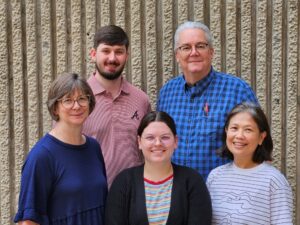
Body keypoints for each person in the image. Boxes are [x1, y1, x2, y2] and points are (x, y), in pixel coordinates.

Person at [157, 21, 258, 180]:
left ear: (211, 52)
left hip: (222, 196)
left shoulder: (237, 91)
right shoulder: (167, 93)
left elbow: (256, 146)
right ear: (177, 55)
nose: (194, 52)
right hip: (176, 194)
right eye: (186, 47)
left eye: (201, 46)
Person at [14, 73, 108, 225]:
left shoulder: (93, 148)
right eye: (68, 100)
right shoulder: (42, 156)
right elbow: (28, 221)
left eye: (82, 99)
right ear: (55, 108)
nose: (76, 106)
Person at [105, 111, 212, 225]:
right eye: (150, 137)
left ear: (175, 141)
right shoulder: (123, 182)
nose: (157, 143)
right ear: (139, 142)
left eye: (165, 137)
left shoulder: (193, 181)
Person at [82, 25, 151, 187]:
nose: (112, 58)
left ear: (127, 56)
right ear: (93, 54)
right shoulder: (76, 100)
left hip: (132, 196)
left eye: (119, 51)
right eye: (106, 51)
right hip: (90, 196)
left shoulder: (141, 100)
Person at [206, 102, 293, 225]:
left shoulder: (274, 181)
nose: (239, 136)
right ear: (226, 131)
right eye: (234, 128)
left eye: (248, 130)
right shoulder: (215, 176)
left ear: (261, 137)